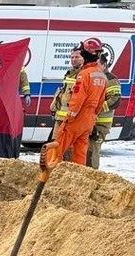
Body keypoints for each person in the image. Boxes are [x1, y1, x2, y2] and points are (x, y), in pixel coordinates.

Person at [43, 38, 107, 169]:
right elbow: (101, 102)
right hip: (89, 120)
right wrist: (93, 116)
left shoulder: (84, 74)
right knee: (80, 152)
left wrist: (70, 117)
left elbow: (78, 99)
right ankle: (78, 175)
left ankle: (46, 174)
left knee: (57, 147)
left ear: (85, 54)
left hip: (76, 118)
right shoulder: (101, 75)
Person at [87, 52, 121, 169]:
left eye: (97, 64)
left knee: (92, 151)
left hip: (101, 124)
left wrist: (95, 109)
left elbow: (115, 101)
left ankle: (92, 174)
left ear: (104, 65)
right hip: (89, 122)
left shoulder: (111, 79)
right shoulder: (93, 77)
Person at [50, 47, 83, 140]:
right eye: (72, 57)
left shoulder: (83, 74)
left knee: (68, 146)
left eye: (77, 57)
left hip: (72, 119)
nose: (73, 59)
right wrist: (53, 106)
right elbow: (63, 91)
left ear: (83, 58)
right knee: (55, 143)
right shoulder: (69, 72)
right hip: (60, 117)